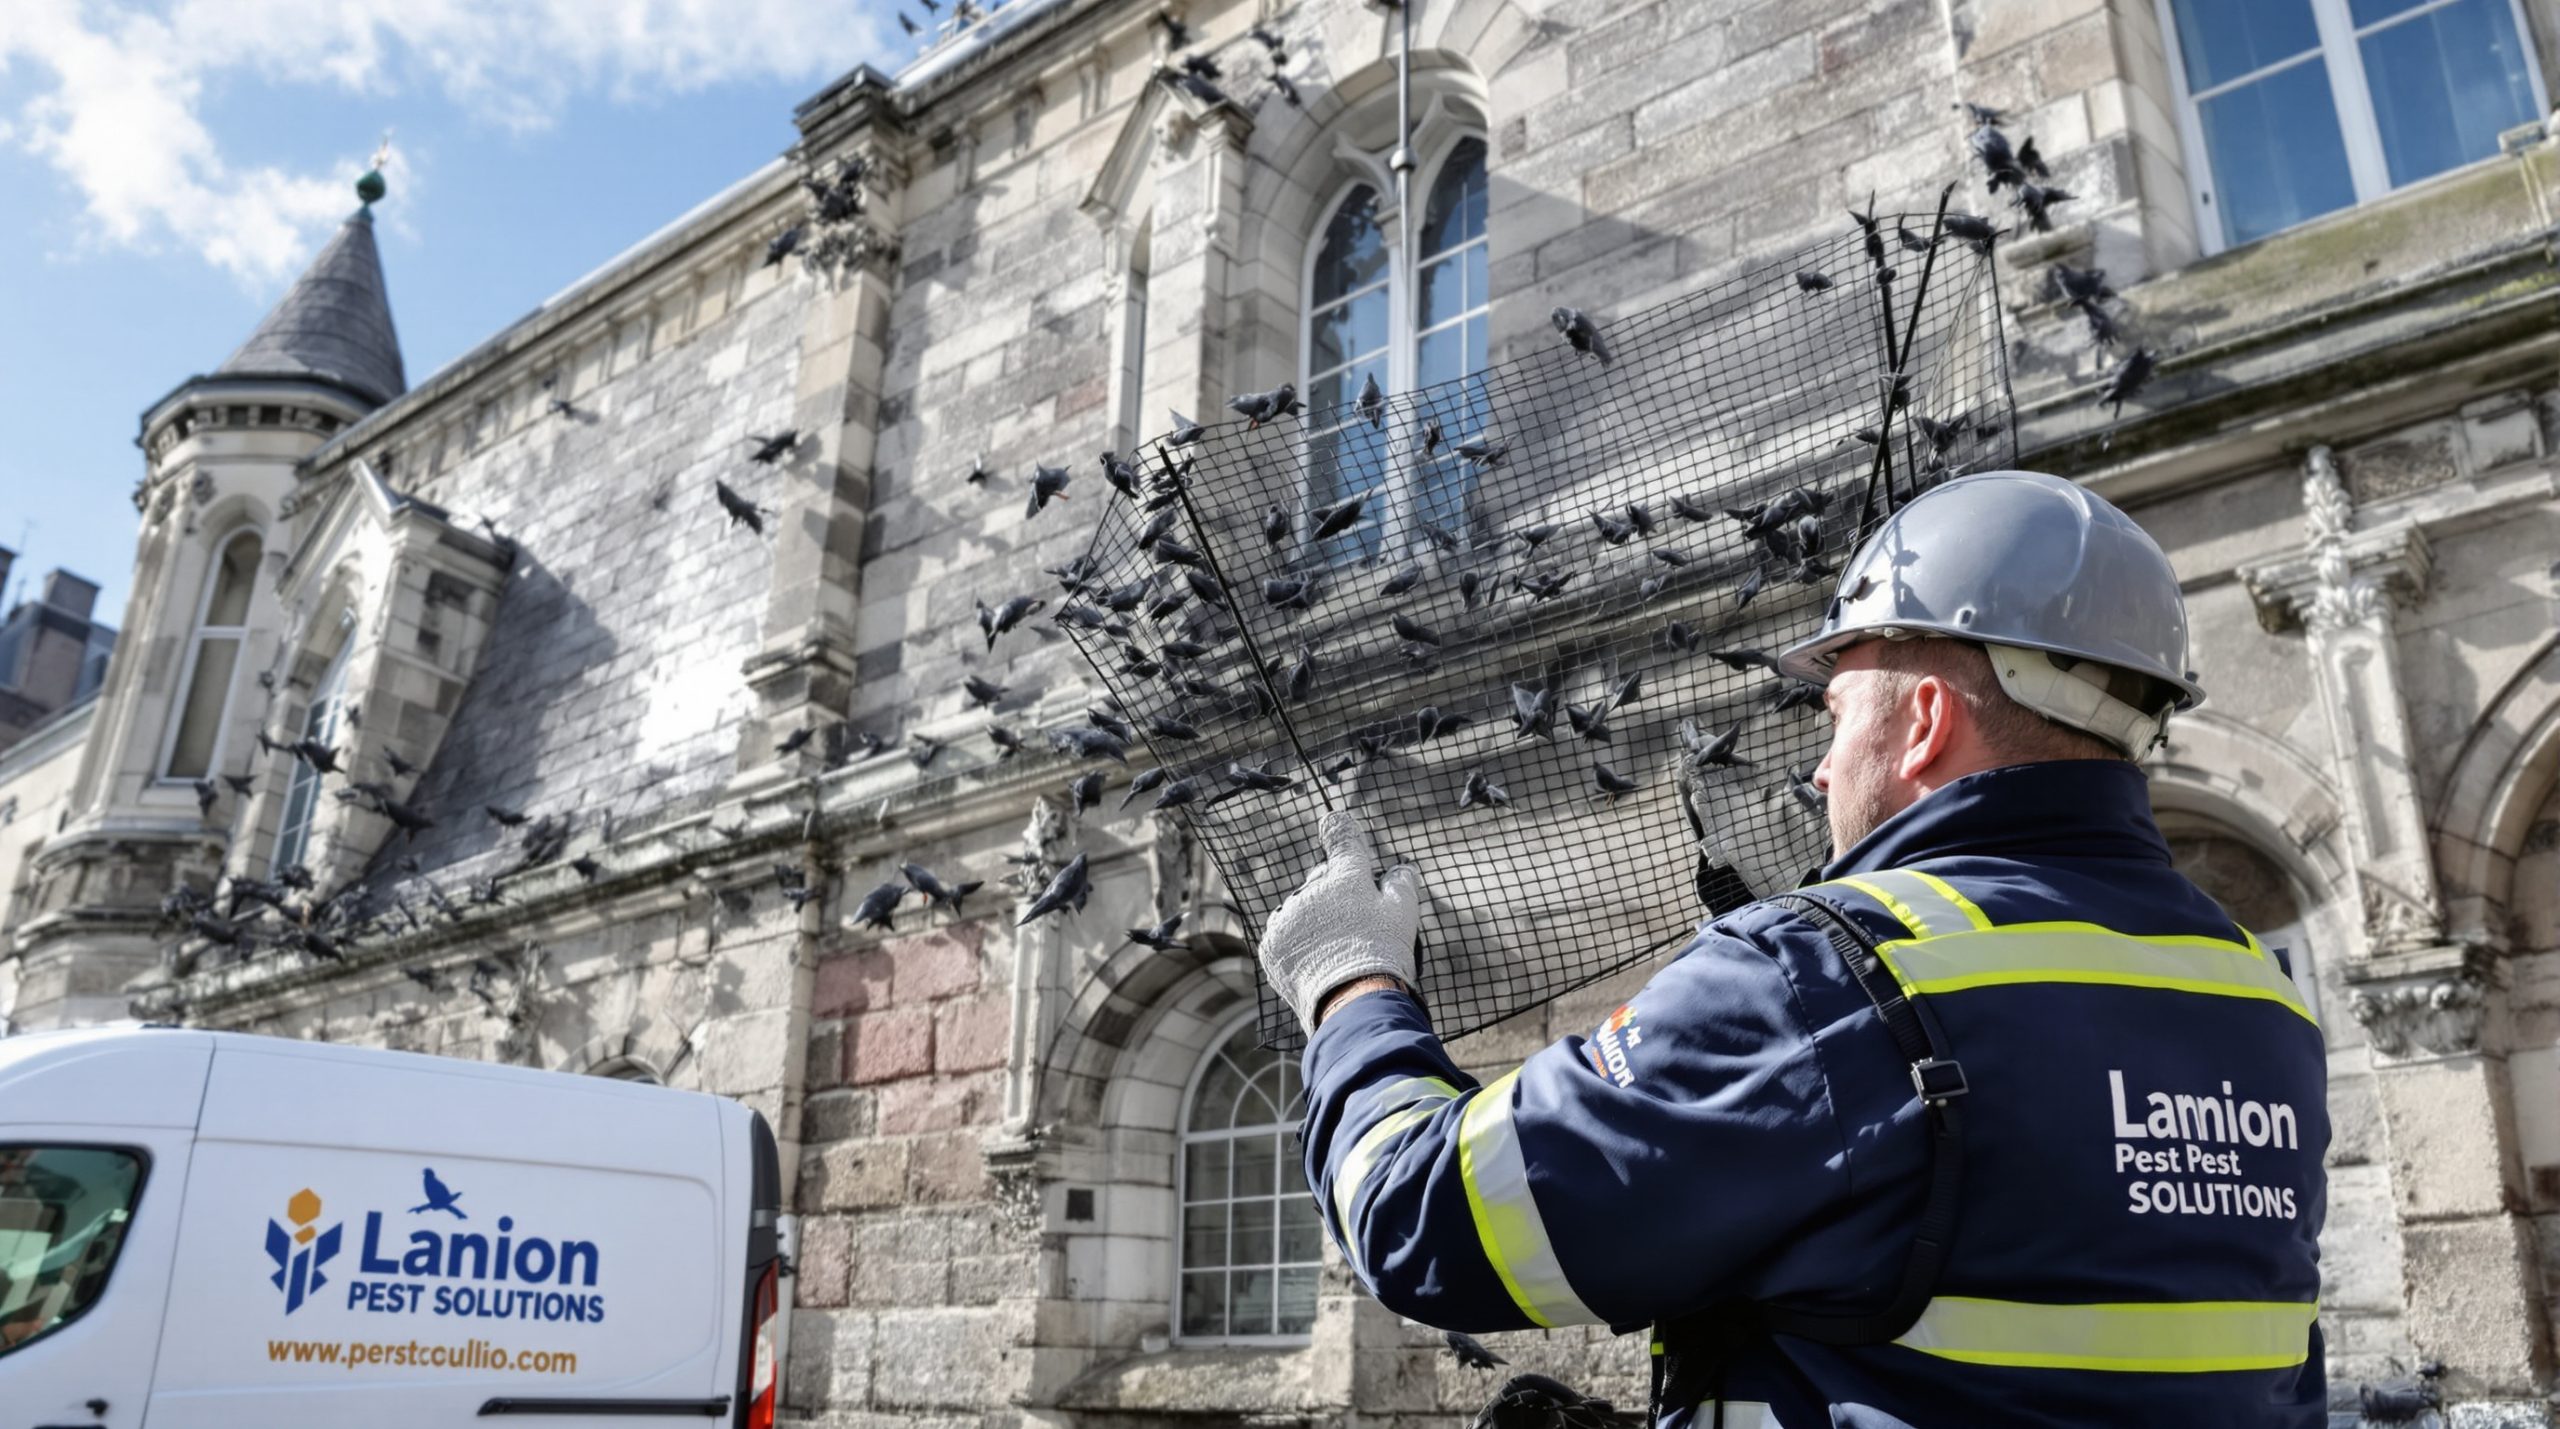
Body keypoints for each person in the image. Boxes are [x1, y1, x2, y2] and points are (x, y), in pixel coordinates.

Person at [1260, 472, 2328, 1428]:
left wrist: (1351, 980)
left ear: (1922, 721)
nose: (1820, 770)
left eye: (1835, 715)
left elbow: (1418, 1215)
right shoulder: (2260, 995)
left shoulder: (1821, 977)